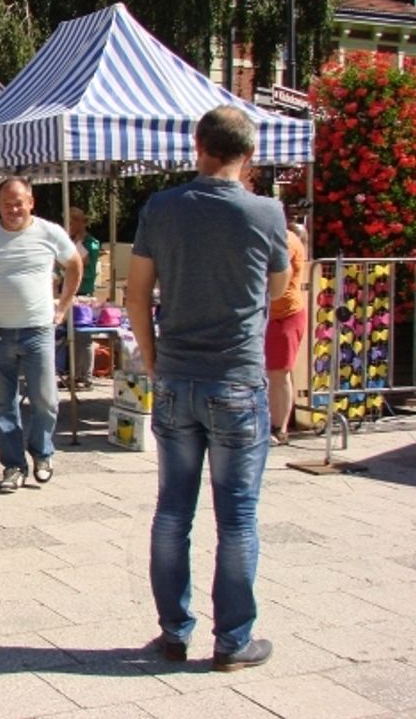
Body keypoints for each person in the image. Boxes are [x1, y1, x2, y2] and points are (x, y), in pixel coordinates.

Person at [126, 105, 290, 672]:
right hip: (237, 380)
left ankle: (174, 632)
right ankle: (233, 641)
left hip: (175, 375)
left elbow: (137, 293)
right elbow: (280, 284)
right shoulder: (266, 213)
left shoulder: (162, 208)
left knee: (173, 512)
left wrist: (152, 359)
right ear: (248, 157)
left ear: (199, 146)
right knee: (237, 518)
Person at [0, 177, 82, 492]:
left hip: (38, 331)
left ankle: (42, 453)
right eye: (6, 203)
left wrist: (63, 307)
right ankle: (13, 466)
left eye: (18, 202)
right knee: (3, 405)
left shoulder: (49, 232)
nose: (13, 209)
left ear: (31, 202)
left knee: (46, 399)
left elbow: (74, 265)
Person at [267, 224, 307, 445]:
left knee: (279, 372)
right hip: (270, 314)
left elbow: (275, 272)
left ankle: (279, 428)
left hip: (284, 315)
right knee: (274, 373)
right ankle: (273, 424)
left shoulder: (287, 241)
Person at [56, 206, 103, 387]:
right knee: (71, 336)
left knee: (84, 337)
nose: (69, 225)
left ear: (82, 222)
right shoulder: (68, 241)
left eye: (73, 221)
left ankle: (86, 376)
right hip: (69, 293)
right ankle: (73, 374)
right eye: (67, 221)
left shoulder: (91, 243)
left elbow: (81, 265)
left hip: (84, 294)